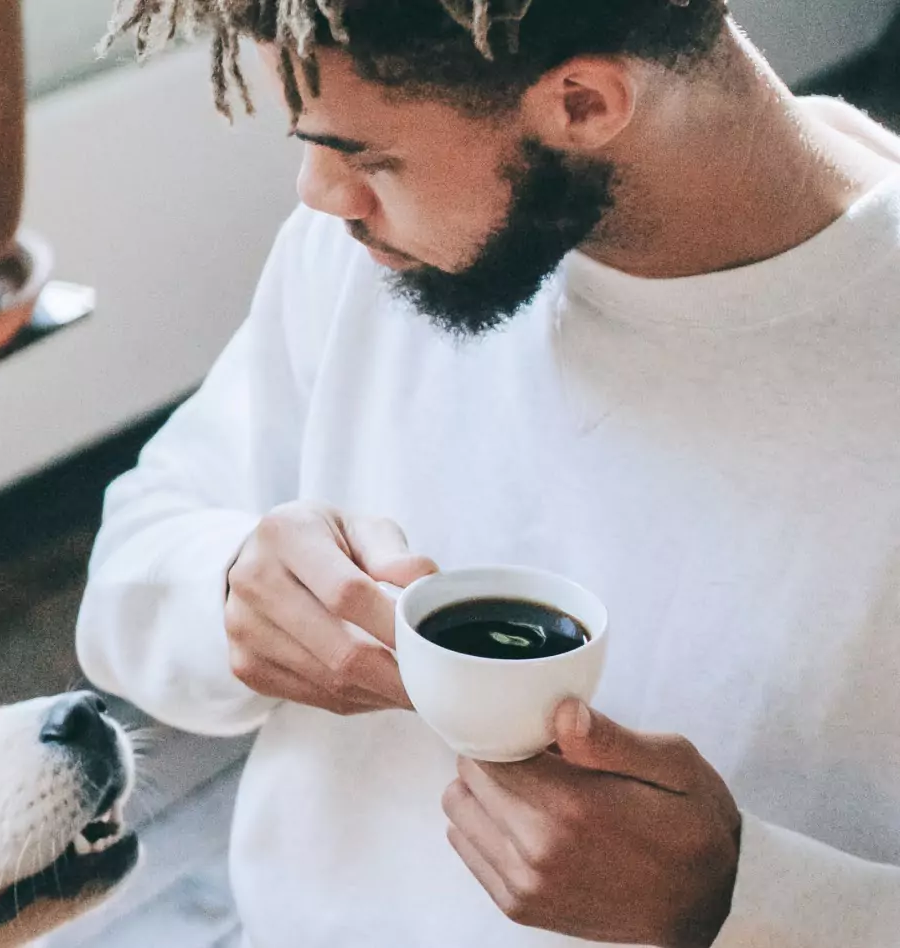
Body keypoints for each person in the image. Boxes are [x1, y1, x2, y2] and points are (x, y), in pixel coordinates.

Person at [74, 2, 900, 946]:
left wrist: (746, 903)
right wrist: (229, 588)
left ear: (583, 103)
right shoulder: (367, 259)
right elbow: (130, 566)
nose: (317, 192)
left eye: (368, 157)